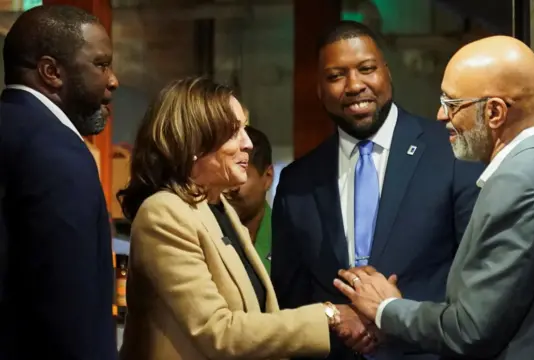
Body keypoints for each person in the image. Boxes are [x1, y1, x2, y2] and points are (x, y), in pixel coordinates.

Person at [334, 35, 534, 360]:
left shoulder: (519, 185)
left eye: (451, 104)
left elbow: (469, 331)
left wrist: (386, 308)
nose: (440, 115)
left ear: (494, 113)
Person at [118, 77, 377, 360]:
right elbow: (218, 332)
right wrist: (329, 315)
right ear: (194, 141)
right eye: (233, 132)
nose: (248, 143)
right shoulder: (164, 213)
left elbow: (255, 315)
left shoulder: (219, 208)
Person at [271, 20, 485, 360]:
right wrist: (338, 322)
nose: (354, 85)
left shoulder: (451, 152)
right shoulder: (298, 182)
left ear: (387, 73)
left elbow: (479, 277)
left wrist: (392, 319)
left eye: (366, 69)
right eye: (336, 76)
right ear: (319, 90)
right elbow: (290, 295)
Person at [0, 5, 119, 360]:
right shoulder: (57, 152)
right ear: (51, 72)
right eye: (101, 64)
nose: (113, 79)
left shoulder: (11, 129)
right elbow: (71, 305)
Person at [225, 125, 274, 272]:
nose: (227, 187)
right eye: (224, 173)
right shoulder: (205, 232)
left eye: (240, 172)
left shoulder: (289, 239)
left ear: (267, 177)